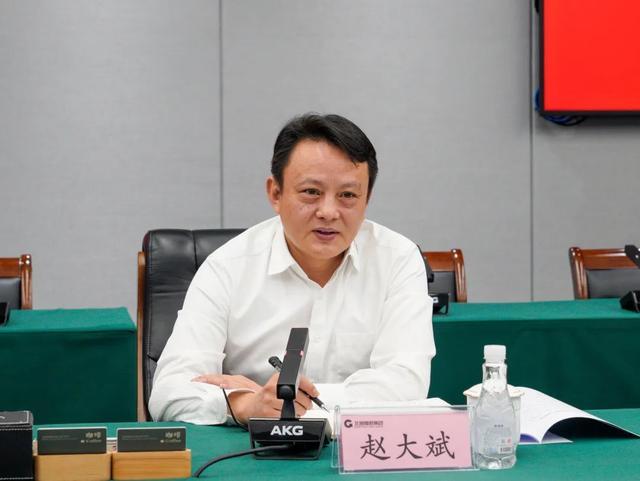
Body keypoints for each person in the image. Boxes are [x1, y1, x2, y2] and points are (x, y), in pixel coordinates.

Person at [149, 113, 435, 424]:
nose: (328, 212)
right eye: (311, 192)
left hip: (357, 451)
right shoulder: (227, 268)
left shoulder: (398, 260)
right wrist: (245, 404)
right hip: (256, 449)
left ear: (367, 199)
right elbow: (168, 393)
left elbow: (407, 386)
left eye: (348, 195)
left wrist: (281, 398)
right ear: (275, 193)